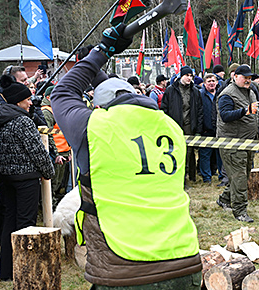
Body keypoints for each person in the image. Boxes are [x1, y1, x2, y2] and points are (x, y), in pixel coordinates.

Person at [51, 23, 202, 289]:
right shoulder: (170, 126)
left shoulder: (94, 126)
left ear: (98, 106)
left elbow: (63, 92)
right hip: (184, 259)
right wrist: (97, 65)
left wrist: (102, 51)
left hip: (124, 269)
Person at [0, 78, 54, 281]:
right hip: (26, 179)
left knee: (10, 221)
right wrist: (49, 171)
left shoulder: (2, 120)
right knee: (26, 224)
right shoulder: (23, 122)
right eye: (27, 100)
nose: (30, 103)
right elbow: (37, 152)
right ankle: (24, 271)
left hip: (7, 177)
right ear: (18, 102)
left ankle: (7, 271)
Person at [216, 65, 258, 223]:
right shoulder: (227, 94)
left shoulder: (251, 92)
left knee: (242, 175)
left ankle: (224, 199)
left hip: (248, 141)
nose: (248, 80)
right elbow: (225, 115)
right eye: (245, 77)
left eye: (250, 77)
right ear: (235, 77)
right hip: (232, 143)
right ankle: (240, 211)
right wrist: (245, 110)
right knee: (239, 178)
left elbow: (254, 116)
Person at [161, 65, 203, 183]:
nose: (189, 78)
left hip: (189, 125)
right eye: (187, 75)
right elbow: (164, 108)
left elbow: (199, 111)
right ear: (181, 76)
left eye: (191, 76)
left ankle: (189, 176)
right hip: (175, 125)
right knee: (177, 152)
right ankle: (179, 178)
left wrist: (198, 129)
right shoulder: (171, 90)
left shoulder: (195, 91)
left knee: (189, 153)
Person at [41, 86, 72, 201]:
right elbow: (48, 135)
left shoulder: (55, 110)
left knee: (59, 183)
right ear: (49, 97)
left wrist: (68, 150)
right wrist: (56, 153)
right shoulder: (47, 111)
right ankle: (50, 208)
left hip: (63, 151)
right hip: (57, 152)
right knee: (53, 183)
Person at [199, 73, 222, 185]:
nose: (212, 83)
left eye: (213, 81)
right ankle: (206, 177)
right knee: (205, 155)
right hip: (206, 129)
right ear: (204, 83)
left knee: (220, 154)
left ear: (217, 82)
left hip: (219, 129)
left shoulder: (221, 94)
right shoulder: (200, 95)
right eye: (209, 81)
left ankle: (222, 176)